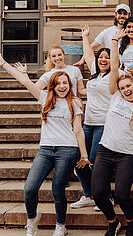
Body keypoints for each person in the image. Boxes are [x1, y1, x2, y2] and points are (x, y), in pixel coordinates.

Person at [0, 54, 90, 236]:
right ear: (53, 86)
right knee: (30, 189)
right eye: (58, 83)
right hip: (46, 149)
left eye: (65, 83)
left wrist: (84, 155)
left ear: (70, 84)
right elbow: (23, 81)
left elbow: (79, 130)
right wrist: (3, 63)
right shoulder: (44, 98)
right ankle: (32, 220)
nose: (62, 86)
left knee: (57, 188)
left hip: (68, 149)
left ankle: (60, 226)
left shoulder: (75, 102)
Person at [91, 30, 133, 236]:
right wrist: (115, 41)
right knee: (98, 193)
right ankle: (112, 221)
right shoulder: (115, 97)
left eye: (129, 86)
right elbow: (115, 66)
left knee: (122, 195)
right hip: (105, 151)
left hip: (125, 155)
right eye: (122, 86)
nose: (126, 89)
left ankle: (132, 221)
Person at [71, 26, 123, 210]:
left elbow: (117, 67)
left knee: (94, 162)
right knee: (79, 162)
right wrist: (85, 37)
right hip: (88, 123)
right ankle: (89, 195)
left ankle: (106, 197)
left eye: (107, 58)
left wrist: (114, 45)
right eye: (101, 57)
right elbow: (88, 55)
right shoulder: (95, 74)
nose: (103, 60)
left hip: (105, 124)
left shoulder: (116, 75)